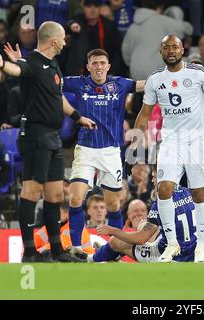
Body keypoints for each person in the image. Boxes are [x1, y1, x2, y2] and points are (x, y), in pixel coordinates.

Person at [0, 21, 96, 263]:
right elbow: (18, 71)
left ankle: (56, 250)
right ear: (54, 40)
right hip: (35, 136)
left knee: (55, 195)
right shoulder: (33, 62)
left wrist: (78, 117)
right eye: (63, 38)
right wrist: (3, 64)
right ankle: (30, 252)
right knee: (32, 192)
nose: (65, 42)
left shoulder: (52, 65)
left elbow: (58, 98)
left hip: (52, 137)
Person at [126, 34, 204, 262]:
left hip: (197, 140)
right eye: (166, 47)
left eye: (175, 47)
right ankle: (171, 243)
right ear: (161, 52)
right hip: (170, 142)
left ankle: (201, 248)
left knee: (200, 194)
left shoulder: (198, 73)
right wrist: (133, 147)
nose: (171, 50)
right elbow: (144, 115)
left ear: (183, 50)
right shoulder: (154, 80)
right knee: (164, 188)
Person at [60, 48, 145, 257]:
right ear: (88, 67)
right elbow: (49, 81)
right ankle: (77, 248)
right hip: (85, 150)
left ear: (108, 66)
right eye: (94, 63)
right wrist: (23, 63)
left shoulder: (120, 84)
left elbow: (146, 84)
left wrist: (174, 77)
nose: (98, 67)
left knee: (113, 204)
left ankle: (115, 248)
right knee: (75, 198)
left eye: (102, 63)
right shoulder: (79, 83)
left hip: (111, 152)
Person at [91, 167, 197, 263]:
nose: (152, 181)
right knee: (146, 227)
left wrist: (112, 230)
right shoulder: (187, 192)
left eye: (155, 177)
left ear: (162, 179)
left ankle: (90, 259)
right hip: (192, 252)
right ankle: (115, 258)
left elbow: (140, 239)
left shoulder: (162, 203)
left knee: (115, 241)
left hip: (167, 255)